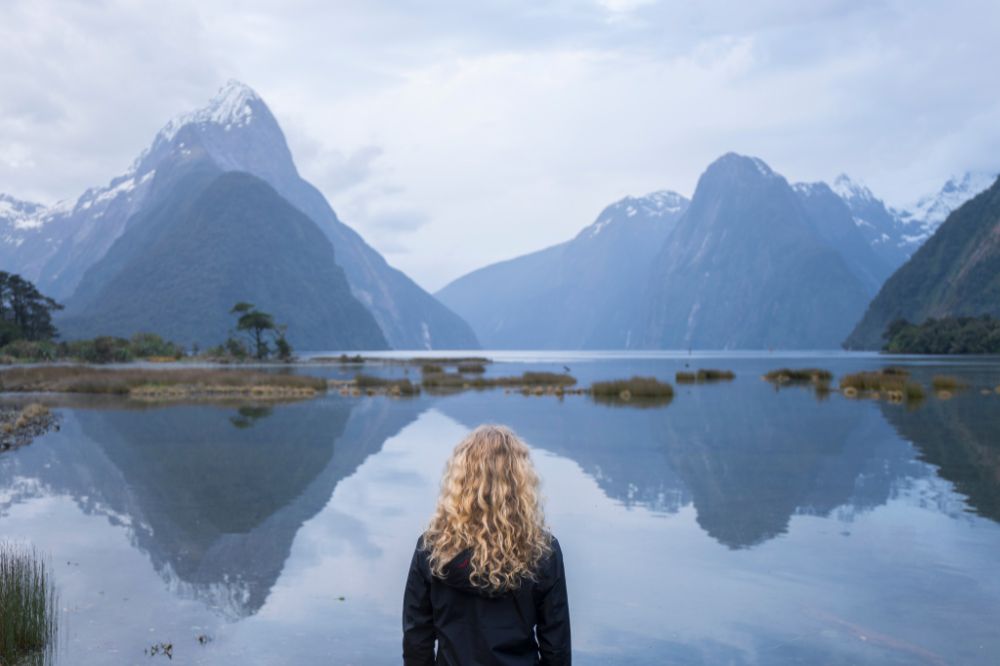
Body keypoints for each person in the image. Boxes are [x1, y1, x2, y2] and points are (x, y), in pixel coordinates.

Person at [402, 424, 571, 665]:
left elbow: (417, 639)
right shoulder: (542, 550)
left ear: (460, 480)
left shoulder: (432, 548)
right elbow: (557, 648)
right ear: (520, 481)